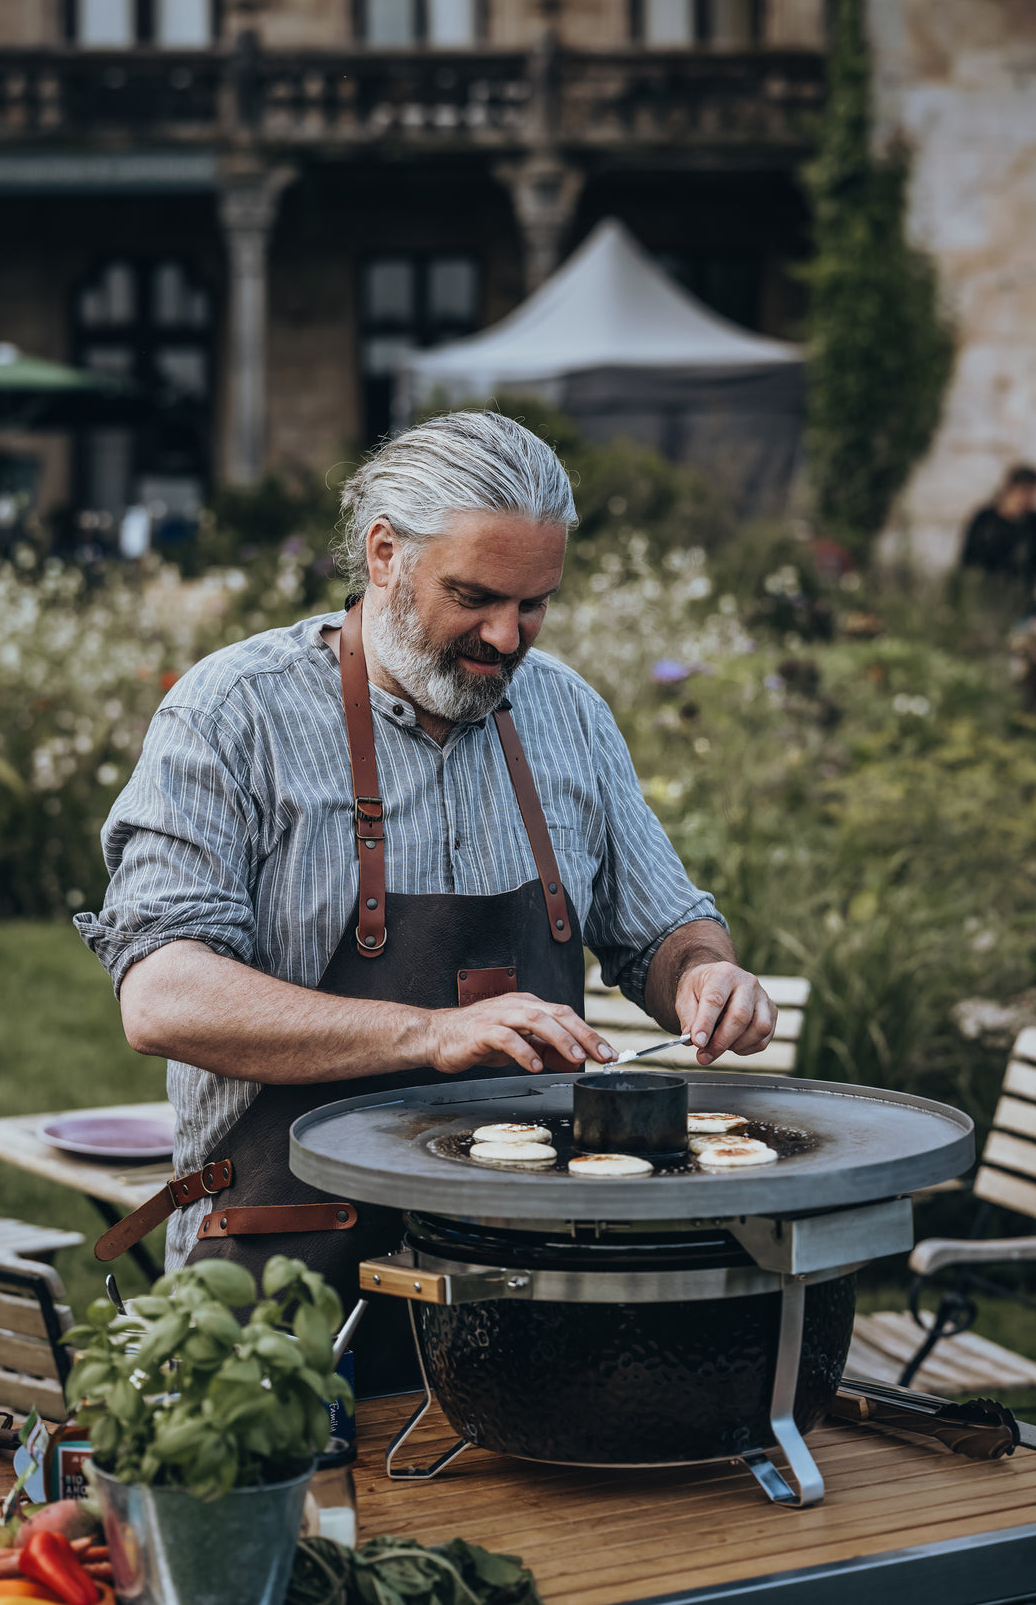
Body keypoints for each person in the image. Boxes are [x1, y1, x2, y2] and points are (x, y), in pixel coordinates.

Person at [75, 412, 776, 1389]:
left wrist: (705, 976)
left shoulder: (567, 712)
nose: (506, 635)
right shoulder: (234, 713)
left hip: (535, 1284)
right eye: (475, 596)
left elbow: (661, 929)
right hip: (281, 1289)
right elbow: (164, 997)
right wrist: (427, 1034)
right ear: (384, 553)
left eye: (535, 604)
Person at [960, 465, 1036, 581]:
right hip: (987, 590)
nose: (1028, 499)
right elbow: (969, 561)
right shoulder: (985, 521)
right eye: (1025, 492)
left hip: (1021, 593)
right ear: (1010, 490)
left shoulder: (1031, 524)